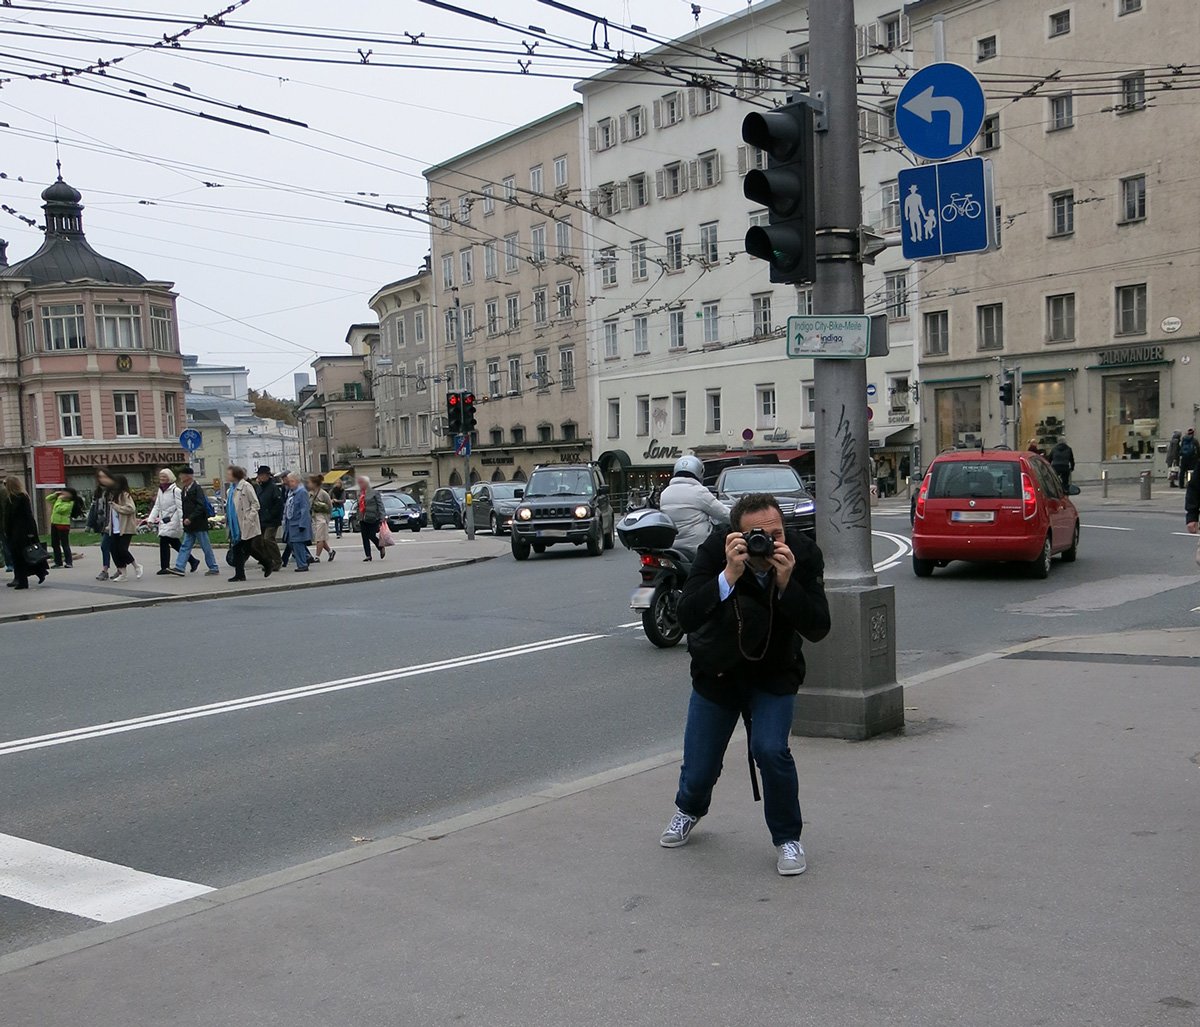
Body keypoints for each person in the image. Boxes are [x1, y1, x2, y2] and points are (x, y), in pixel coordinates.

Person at [659, 493, 831, 877]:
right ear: (735, 534)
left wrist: (788, 585)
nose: (768, 543)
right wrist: (727, 577)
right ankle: (688, 809)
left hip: (774, 672)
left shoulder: (801, 553)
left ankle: (788, 838)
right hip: (717, 672)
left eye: (776, 533)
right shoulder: (715, 550)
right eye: (757, 535)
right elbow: (685, 615)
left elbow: (819, 626)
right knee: (700, 767)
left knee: (771, 750)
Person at [658, 455, 729, 554]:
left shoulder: (665, 493)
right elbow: (724, 514)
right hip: (698, 546)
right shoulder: (699, 492)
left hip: (672, 545)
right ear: (699, 472)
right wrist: (741, 519)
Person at [145, 468, 197, 575]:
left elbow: (180, 507)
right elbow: (157, 506)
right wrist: (151, 519)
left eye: (164, 476)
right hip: (164, 521)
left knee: (164, 540)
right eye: (161, 477)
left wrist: (182, 521)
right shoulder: (161, 490)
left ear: (170, 477)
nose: (162, 479)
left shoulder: (176, 490)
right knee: (174, 543)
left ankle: (165, 567)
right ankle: (192, 560)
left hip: (174, 521)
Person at [171, 466, 220, 576]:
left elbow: (200, 506)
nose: (180, 477)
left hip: (198, 523)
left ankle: (213, 567)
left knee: (205, 546)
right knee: (185, 546)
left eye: (182, 475)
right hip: (189, 524)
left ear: (188, 476)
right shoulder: (184, 489)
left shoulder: (196, 489)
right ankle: (180, 567)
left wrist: (191, 518)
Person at [4, 476, 49, 589]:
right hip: (14, 532)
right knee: (18, 556)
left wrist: (31, 532)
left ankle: (24, 581)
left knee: (24, 555)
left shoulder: (21, 497)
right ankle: (25, 578)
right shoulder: (10, 498)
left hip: (22, 532)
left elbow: (28, 516)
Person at [225, 465, 268, 582]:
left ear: (235, 474)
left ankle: (240, 574)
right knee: (246, 549)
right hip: (236, 524)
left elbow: (255, 504)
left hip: (245, 523)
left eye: (229, 473)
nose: (227, 476)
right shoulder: (231, 489)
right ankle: (266, 563)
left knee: (240, 548)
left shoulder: (246, 486)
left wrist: (250, 518)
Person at [106, 475, 144, 583]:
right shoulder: (113, 496)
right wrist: (109, 525)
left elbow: (131, 508)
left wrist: (116, 507)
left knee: (122, 549)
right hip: (115, 529)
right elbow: (112, 515)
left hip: (125, 528)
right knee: (114, 550)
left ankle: (137, 566)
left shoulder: (125, 495)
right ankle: (123, 573)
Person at [253, 466, 285, 571]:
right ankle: (268, 561)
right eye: (259, 475)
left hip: (271, 519)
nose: (260, 477)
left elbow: (279, 504)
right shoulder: (259, 487)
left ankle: (277, 561)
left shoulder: (273, 488)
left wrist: (272, 514)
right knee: (260, 541)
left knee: (268, 539)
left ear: (268, 475)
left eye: (262, 475)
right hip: (262, 518)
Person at [86, 468, 115, 580]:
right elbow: (93, 508)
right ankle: (119, 568)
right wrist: (90, 524)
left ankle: (105, 570)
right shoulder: (98, 492)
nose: (103, 480)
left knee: (105, 546)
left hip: (112, 523)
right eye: (100, 477)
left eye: (105, 477)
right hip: (101, 523)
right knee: (109, 547)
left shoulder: (113, 491)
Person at [281, 472, 313, 572]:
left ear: (297, 481)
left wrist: (303, 524)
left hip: (297, 523)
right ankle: (306, 558)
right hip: (291, 523)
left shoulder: (301, 492)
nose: (290, 483)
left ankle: (302, 564)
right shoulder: (291, 492)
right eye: (289, 481)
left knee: (298, 544)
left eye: (292, 481)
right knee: (292, 543)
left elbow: (304, 509)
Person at [44, 487, 80, 568]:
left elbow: (59, 510)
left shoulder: (70, 503)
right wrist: (55, 494)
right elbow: (48, 499)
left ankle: (69, 562)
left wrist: (59, 499)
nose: (63, 493)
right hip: (54, 523)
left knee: (64, 544)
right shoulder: (59, 500)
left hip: (63, 525)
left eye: (65, 492)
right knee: (55, 544)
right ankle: (58, 561)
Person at [307, 474, 336, 562]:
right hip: (313, 517)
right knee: (320, 538)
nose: (308, 484)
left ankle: (317, 556)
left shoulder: (323, 493)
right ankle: (330, 551)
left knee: (319, 538)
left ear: (315, 483)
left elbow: (330, 506)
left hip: (321, 518)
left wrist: (327, 518)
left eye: (310, 482)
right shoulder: (310, 493)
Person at [357, 475, 385, 561]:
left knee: (371, 535)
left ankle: (380, 547)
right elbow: (359, 506)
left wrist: (382, 517)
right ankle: (368, 555)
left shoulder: (374, 492)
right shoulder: (360, 493)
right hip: (363, 518)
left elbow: (380, 505)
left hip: (373, 517)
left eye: (362, 483)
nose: (360, 484)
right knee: (364, 537)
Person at [0, 478, 11, 574]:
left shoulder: (2, 490)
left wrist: (4, 524)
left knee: (5, 543)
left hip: (2, 523)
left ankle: (10, 563)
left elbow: (4, 509)